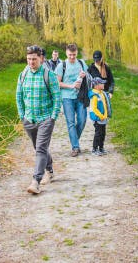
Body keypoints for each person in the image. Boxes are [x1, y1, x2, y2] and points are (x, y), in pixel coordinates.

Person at [16, 45, 61, 194]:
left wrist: (53, 117)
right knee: (39, 147)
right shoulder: (23, 75)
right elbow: (19, 96)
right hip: (29, 119)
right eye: (28, 59)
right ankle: (50, 170)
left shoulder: (49, 75)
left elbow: (57, 97)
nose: (31, 62)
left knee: (40, 148)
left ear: (41, 58)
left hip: (45, 118)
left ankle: (35, 181)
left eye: (34, 59)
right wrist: (22, 116)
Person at [55, 43, 91, 156]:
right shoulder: (62, 66)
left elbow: (89, 76)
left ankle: (74, 139)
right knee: (70, 122)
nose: (72, 57)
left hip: (80, 96)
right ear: (66, 53)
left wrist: (84, 75)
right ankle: (75, 147)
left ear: (77, 53)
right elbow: (57, 83)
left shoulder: (81, 63)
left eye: (74, 55)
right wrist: (71, 86)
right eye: (70, 55)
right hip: (67, 98)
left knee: (82, 120)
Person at [88, 77, 112, 155]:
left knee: (103, 133)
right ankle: (94, 149)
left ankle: (101, 148)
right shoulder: (95, 96)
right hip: (98, 118)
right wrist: (101, 116)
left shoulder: (102, 93)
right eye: (102, 83)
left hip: (103, 118)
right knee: (98, 134)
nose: (103, 84)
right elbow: (94, 108)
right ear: (97, 85)